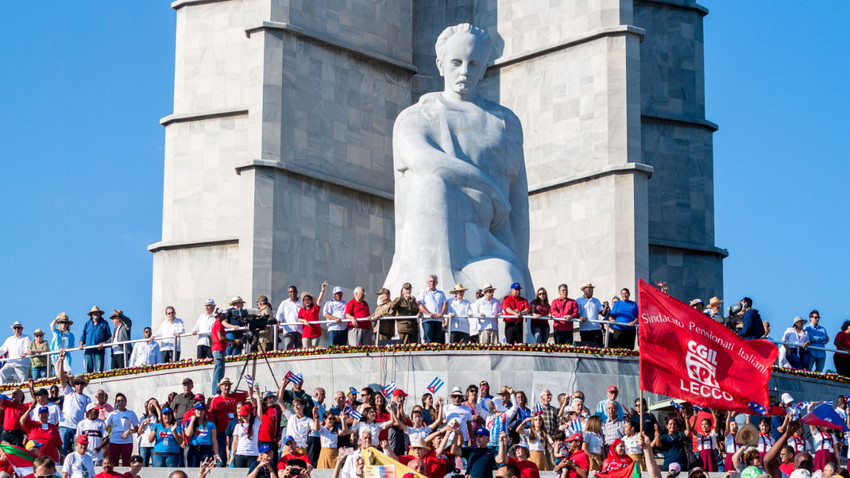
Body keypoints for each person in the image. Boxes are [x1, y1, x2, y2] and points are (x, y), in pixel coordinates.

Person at [57, 351, 92, 457]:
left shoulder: (87, 398)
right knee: (62, 450)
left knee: (78, 452)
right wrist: (61, 361)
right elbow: (61, 377)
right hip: (64, 426)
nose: (79, 385)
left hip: (78, 427)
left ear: (84, 386)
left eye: (81, 384)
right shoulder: (68, 392)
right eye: (77, 383)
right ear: (74, 385)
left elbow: (88, 415)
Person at [105, 393, 139, 467]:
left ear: (125, 402)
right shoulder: (112, 414)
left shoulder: (131, 413)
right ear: (116, 403)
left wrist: (129, 431)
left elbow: (137, 429)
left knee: (126, 463)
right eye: (118, 401)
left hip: (127, 441)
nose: (120, 402)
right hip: (114, 440)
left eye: (122, 401)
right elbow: (106, 428)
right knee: (113, 463)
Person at [230, 395, 262, 471]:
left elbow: (259, 411)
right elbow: (235, 441)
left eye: (246, 415)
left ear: (250, 415)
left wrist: (257, 394)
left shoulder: (255, 424)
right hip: (240, 454)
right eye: (242, 416)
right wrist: (232, 455)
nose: (244, 417)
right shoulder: (238, 426)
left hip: (253, 454)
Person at [185, 401, 218, 467]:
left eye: (201, 410)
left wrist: (216, 454)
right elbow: (188, 434)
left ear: (204, 411)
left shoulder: (210, 424)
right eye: (198, 410)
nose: (199, 412)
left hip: (206, 449)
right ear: (195, 411)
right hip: (194, 448)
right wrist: (192, 421)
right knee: (193, 469)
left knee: (207, 470)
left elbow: (214, 439)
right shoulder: (189, 423)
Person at [576, 283, 608, 347]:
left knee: (599, 349)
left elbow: (603, 314)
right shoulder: (578, 301)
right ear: (584, 290)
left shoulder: (596, 300)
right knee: (587, 350)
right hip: (585, 330)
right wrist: (580, 317)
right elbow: (576, 314)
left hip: (597, 329)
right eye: (589, 289)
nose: (591, 291)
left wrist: (606, 307)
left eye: (592, 289)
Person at [418, 275, 448, 344]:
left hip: (438, 320)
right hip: (427, 320)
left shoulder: (441, 293)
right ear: (427, 282)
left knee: (437, 341)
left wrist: (442, 313)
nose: (432, 283)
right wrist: (428, 313)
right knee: (428, 340)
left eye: (434, 281)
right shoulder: (423, 292)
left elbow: (445, 304)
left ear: (437, 282)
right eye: (430, 281)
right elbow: (419, 304)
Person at [80, 306, 111, 373]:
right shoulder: (87, 324)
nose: (95, 314)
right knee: (88, 369)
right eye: (94, 313)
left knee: (99, 370)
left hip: (99, 350)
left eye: (97, 312)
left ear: (100, 314)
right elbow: (83, 336)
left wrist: (104, 344)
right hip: (88, 350)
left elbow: (109, 337)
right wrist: (81, 344)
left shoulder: (104, 323)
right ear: (91, 315)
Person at [277, 286, 303, 350]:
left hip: (300, 330)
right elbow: (280, 313)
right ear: (288, 293)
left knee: (300, 351)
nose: (293, 293)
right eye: (290, 292)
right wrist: (278, 320)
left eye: (294, 291)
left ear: (297, 292)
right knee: (288, 350)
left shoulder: (302, 302)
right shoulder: (284, 303)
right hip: (288, 330)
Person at [136, 399, 159, 467]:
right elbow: (139, 432)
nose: (152, 406)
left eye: (153, 404)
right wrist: (143, 423)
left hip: (154, 444)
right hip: (144, 444)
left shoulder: (157, 417)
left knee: (156, 465)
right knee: (143, 465)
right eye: (150, 404)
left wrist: (157, 406)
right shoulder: (143, 418)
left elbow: (161, 420)